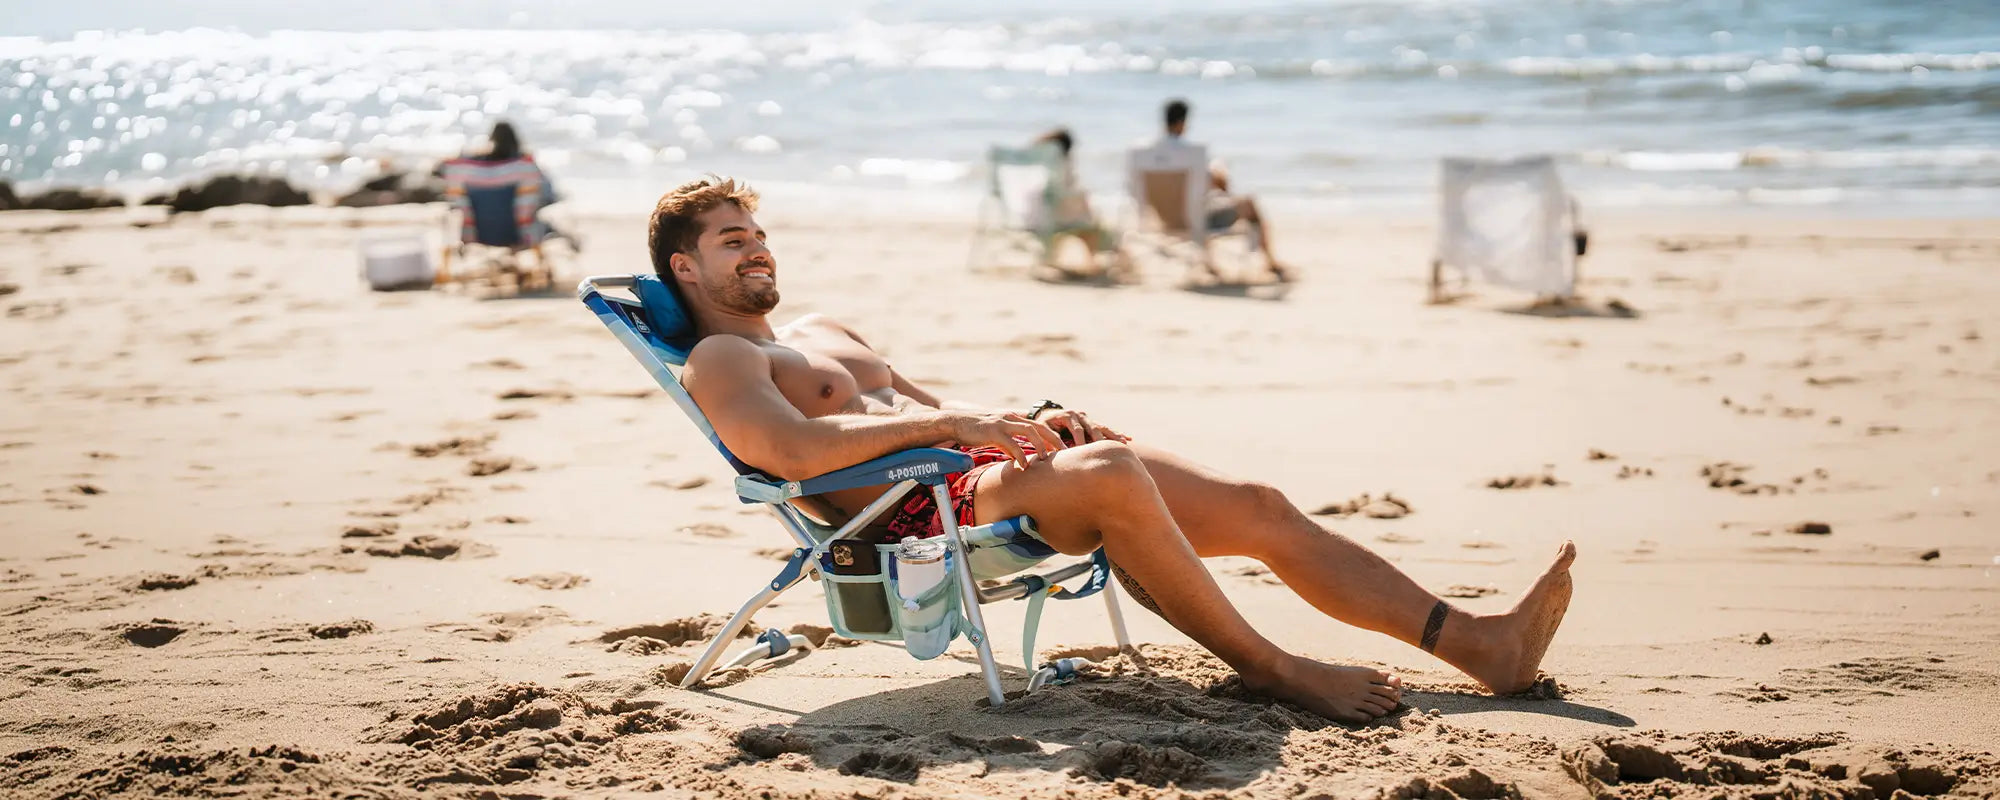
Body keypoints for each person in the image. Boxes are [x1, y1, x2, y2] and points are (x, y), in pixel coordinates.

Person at [653, 175, 1576, 723]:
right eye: (734, 242)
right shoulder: (721, 355)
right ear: (686, 269)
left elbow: (945, 408)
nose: (758, 251)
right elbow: (796, 450)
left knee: (1250, 502)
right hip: (912, 515)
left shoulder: (823, 328)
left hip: (980, 476)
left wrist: (1029, 422)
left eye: (761, 234)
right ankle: (1272, 668)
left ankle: (1482, 648)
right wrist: (946, 430)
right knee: (1111, 473)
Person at [1153, 99, 1290, 282]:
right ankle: (1271, 262)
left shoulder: (1144, 153)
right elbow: (1220, 182)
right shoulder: (1191, 153)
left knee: (1203, 205)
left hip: (1162, 219)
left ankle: (1209, 263)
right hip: (1195, 220)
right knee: (1248, 202)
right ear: (1182, 123)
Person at [437, 121, 577, 288]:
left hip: (477, 232)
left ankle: (446, 274)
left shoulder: (473, 168)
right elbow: (547, 194)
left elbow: (441, 170)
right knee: (538, 221)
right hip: (520, 232)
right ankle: (539, 268)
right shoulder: (523, 166)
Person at [1026, 127, 1132, 279]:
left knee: (1085, 222)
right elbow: (1066, 199)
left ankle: (1074, 261)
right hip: (1059, 222)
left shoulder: (1039, 171)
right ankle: (1107, 262)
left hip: (1036, 220)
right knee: (1094, 227)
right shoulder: (1061, 170)